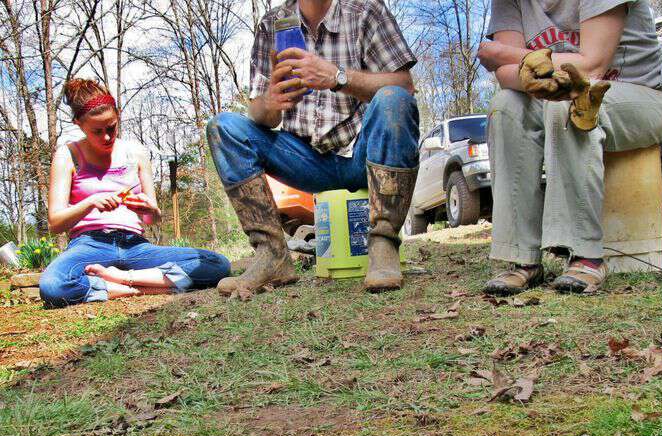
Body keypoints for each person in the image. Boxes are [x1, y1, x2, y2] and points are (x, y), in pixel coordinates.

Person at [207, 0, 420, 296]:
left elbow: (404, 84)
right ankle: (272, 255)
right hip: (304, 159)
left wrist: (337, 77)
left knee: (394, 99)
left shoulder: (367, 11)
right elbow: (259, 113)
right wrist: (270, 103)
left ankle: (383, 242)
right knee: (224, 127)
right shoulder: (272, 23)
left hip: (363, 153)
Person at [477, 0, 662, 295]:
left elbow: (592, 65)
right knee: (505, 106)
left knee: (571, 100)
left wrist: (504, 54)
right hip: (556, 94)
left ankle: (585, 256)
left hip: (644, 96)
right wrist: (521, 65)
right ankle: (521, 259)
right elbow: (506, 76)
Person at [39, 78, 231, 308]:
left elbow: (153, 218)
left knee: (216, 264)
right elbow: (55, 223)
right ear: (79, 124)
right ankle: (132, 286)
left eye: (111, 127)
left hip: (136, 246)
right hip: (89, 244)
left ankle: (125, 281)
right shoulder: (67, 155)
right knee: (52, 285)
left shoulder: (137, 153)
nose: (107, 137)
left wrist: (150, 209)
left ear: (118, 115)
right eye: (97, 131)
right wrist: (90, 203)